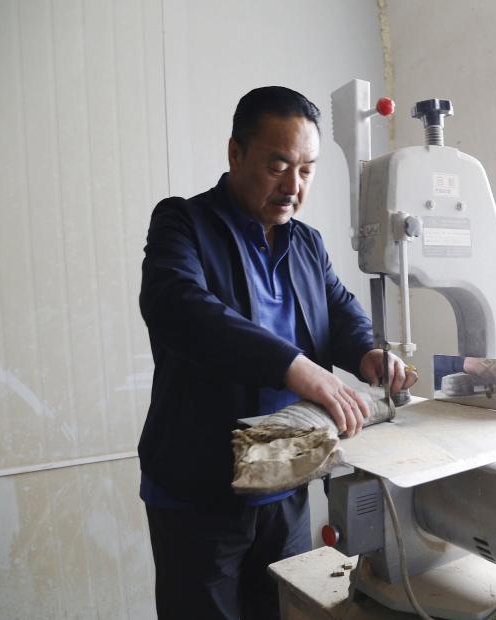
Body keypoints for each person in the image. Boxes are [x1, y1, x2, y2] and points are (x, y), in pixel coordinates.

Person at [138, 86, 418, 620]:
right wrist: (296, 368)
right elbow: (177, 305)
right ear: (235, 154)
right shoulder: (183, 223)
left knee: (286, 610)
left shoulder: (306, 242)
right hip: (200, 492)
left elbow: (339, 310)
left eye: (307, 171)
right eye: (278, 166)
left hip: (287, 483)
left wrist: (367, 353)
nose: (293, 187)